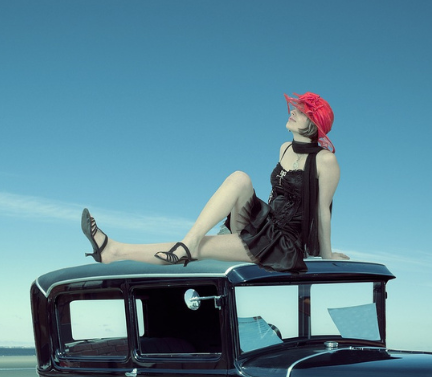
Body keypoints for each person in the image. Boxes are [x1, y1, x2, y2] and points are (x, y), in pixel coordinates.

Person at [80, 92, 349, 272]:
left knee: (203, 247)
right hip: (265, 224)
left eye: (302, 112)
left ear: (312, 125)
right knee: (240, 177)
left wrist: (327, 255)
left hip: (282, 245)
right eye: (296, 108)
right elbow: (275, 196)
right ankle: (188, 241)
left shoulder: (326, 161)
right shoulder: (284, 148)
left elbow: (322, 210)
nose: (293, 112)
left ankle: (114, 251)